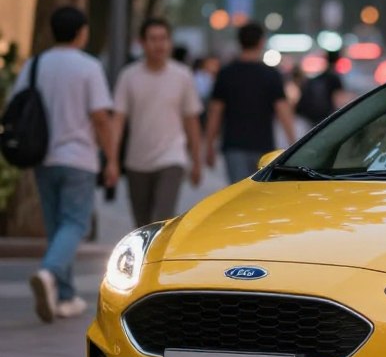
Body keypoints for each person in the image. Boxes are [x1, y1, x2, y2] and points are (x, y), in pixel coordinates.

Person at [13, 6, 116, 322]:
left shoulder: (34, 64)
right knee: (75, 224)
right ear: (81, 31)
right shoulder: (88, 67)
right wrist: (111, 158)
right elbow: (100, 117)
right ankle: (49, 273)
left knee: (58, 226)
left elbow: (14, 106)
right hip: (79, 158)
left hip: (43, 158)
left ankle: (65, 296)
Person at [110, 17, 203, 227]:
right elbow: (117, 120)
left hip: (172, 158)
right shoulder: (129, 76)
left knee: (160, 221)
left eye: (163, 39)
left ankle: (159, 259)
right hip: (137, 161)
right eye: (152, 39)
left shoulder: (182, 76)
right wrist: (112, 160)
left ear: (169, 42)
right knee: (142, 226)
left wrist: (196, 160)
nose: (158, 44)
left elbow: (191, 121)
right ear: (142, 43)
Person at [204, 22, 295, 182]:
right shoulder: (271, 75)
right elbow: (283, 112)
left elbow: (215, 112)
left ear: (239, 42)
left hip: (233, 145)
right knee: (259, 196)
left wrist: (209, 145)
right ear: (261, 42)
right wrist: (293, 144)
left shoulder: (226, 73)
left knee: (239, 193)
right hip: (263, 145)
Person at [295, 50, 347, 128]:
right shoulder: (334, 78)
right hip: (326, 116)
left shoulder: (317, 78)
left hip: (310, 116)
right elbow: (339, 100)